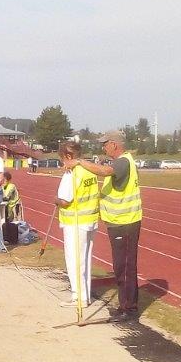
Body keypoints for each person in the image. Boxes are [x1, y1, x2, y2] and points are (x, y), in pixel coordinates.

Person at [67, 130, 142, 323]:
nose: (103, 148)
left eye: (105, 144)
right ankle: (125, 305)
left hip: (125, 222)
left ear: (114, 144)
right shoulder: (121, 161)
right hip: (118, 222)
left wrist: (79, 162)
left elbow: (105, 171)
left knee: (125, 267)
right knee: (120, 266)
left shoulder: (123, 162)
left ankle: (129, 309)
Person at [56, 142, 99, 308]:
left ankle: (78, 297)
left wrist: (56, 200)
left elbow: (65, 200)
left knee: (74, 261)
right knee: (85, 259)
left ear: (68, 156)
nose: (62, 163)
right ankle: (85, 295)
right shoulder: (89, 170)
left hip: (75, 221)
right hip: (89, 220)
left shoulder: (72, 173)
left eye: (62, 159)